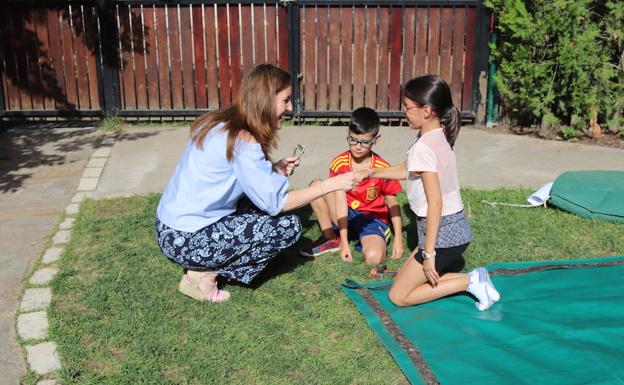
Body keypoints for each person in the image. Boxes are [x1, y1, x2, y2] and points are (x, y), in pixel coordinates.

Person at [155, 64, 358, 303]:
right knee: (286, 227)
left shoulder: (222, 122)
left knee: (261, 211)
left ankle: (206, 262)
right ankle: (203, 275)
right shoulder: (244, 140)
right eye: (286, 100)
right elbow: (277, 204)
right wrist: (329, 185)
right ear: (266, 100)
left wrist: (274, 170)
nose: (290, 107)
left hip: (168, 229)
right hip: (185, 240)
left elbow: (242, 179)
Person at [355, 75, 500, 310]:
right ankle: (476, 277)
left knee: (399, 296)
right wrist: (371, 173)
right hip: (452, 228)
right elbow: (408, 169)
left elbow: (436, 204)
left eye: (407, 106)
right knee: (402, 277)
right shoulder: (436, 134)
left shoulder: (424, 145)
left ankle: (469, 281)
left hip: (444, 234)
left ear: (426, 110)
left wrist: (429, 254)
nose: (403, 111)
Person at [299, 107, 404, 265]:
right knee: (316, 185)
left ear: (377, 140)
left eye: (365, 142)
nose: (357, 146)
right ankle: (332, 239)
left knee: (374, 258)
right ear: (347, 133)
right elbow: (339, 200)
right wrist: (345, 244)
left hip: (372, 220)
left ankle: (371, 238)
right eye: (353, 140)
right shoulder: (339, 163)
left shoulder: (383, 167)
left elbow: (393, 203)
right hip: (344, 214)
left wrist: (399, 240)